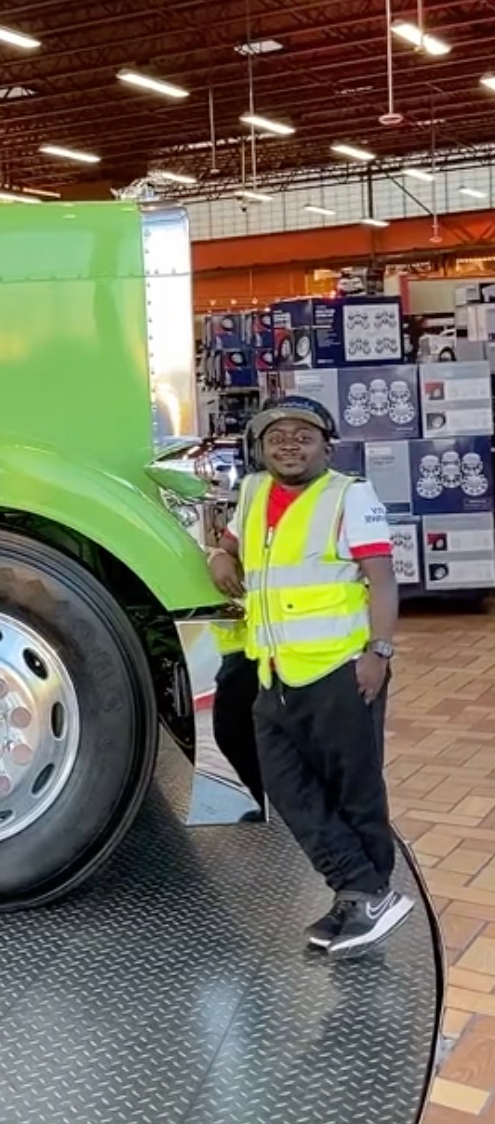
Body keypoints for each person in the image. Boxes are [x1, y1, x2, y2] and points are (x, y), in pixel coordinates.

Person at [207, 394, 410, 959]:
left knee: (356, 787)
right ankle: (361, 888)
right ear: (260, 447)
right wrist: (217, 557)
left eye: (302, 435)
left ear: (326, 444)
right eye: (277, 436)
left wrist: (380, 653)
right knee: (286, 785)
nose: (289, 444)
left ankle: (365, 893)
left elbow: (382, 579)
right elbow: (233, 545)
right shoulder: (251, 494)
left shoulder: (350, 496)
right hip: (273, 670)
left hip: (341, 670)